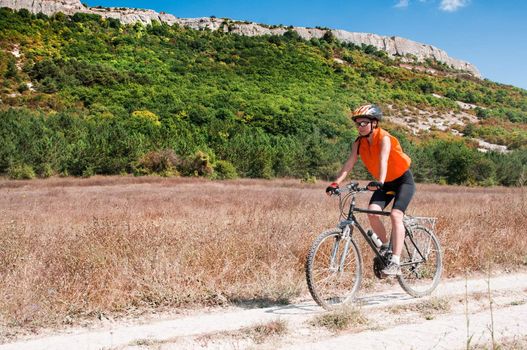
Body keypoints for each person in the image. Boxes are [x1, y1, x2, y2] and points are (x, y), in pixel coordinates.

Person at [325, 104, 416, 276]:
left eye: (363, 123)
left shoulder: (384, 138)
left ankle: (396, 262)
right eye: (357, 124)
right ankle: (386, 247)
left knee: (396, 215)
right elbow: (350, 163)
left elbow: (383, 159)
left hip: (403, 181)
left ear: (374, 123)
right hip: (386, 183)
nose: (359, 127)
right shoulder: (358, 143)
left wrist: (379, 181)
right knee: (372, 213)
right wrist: (335, 183)